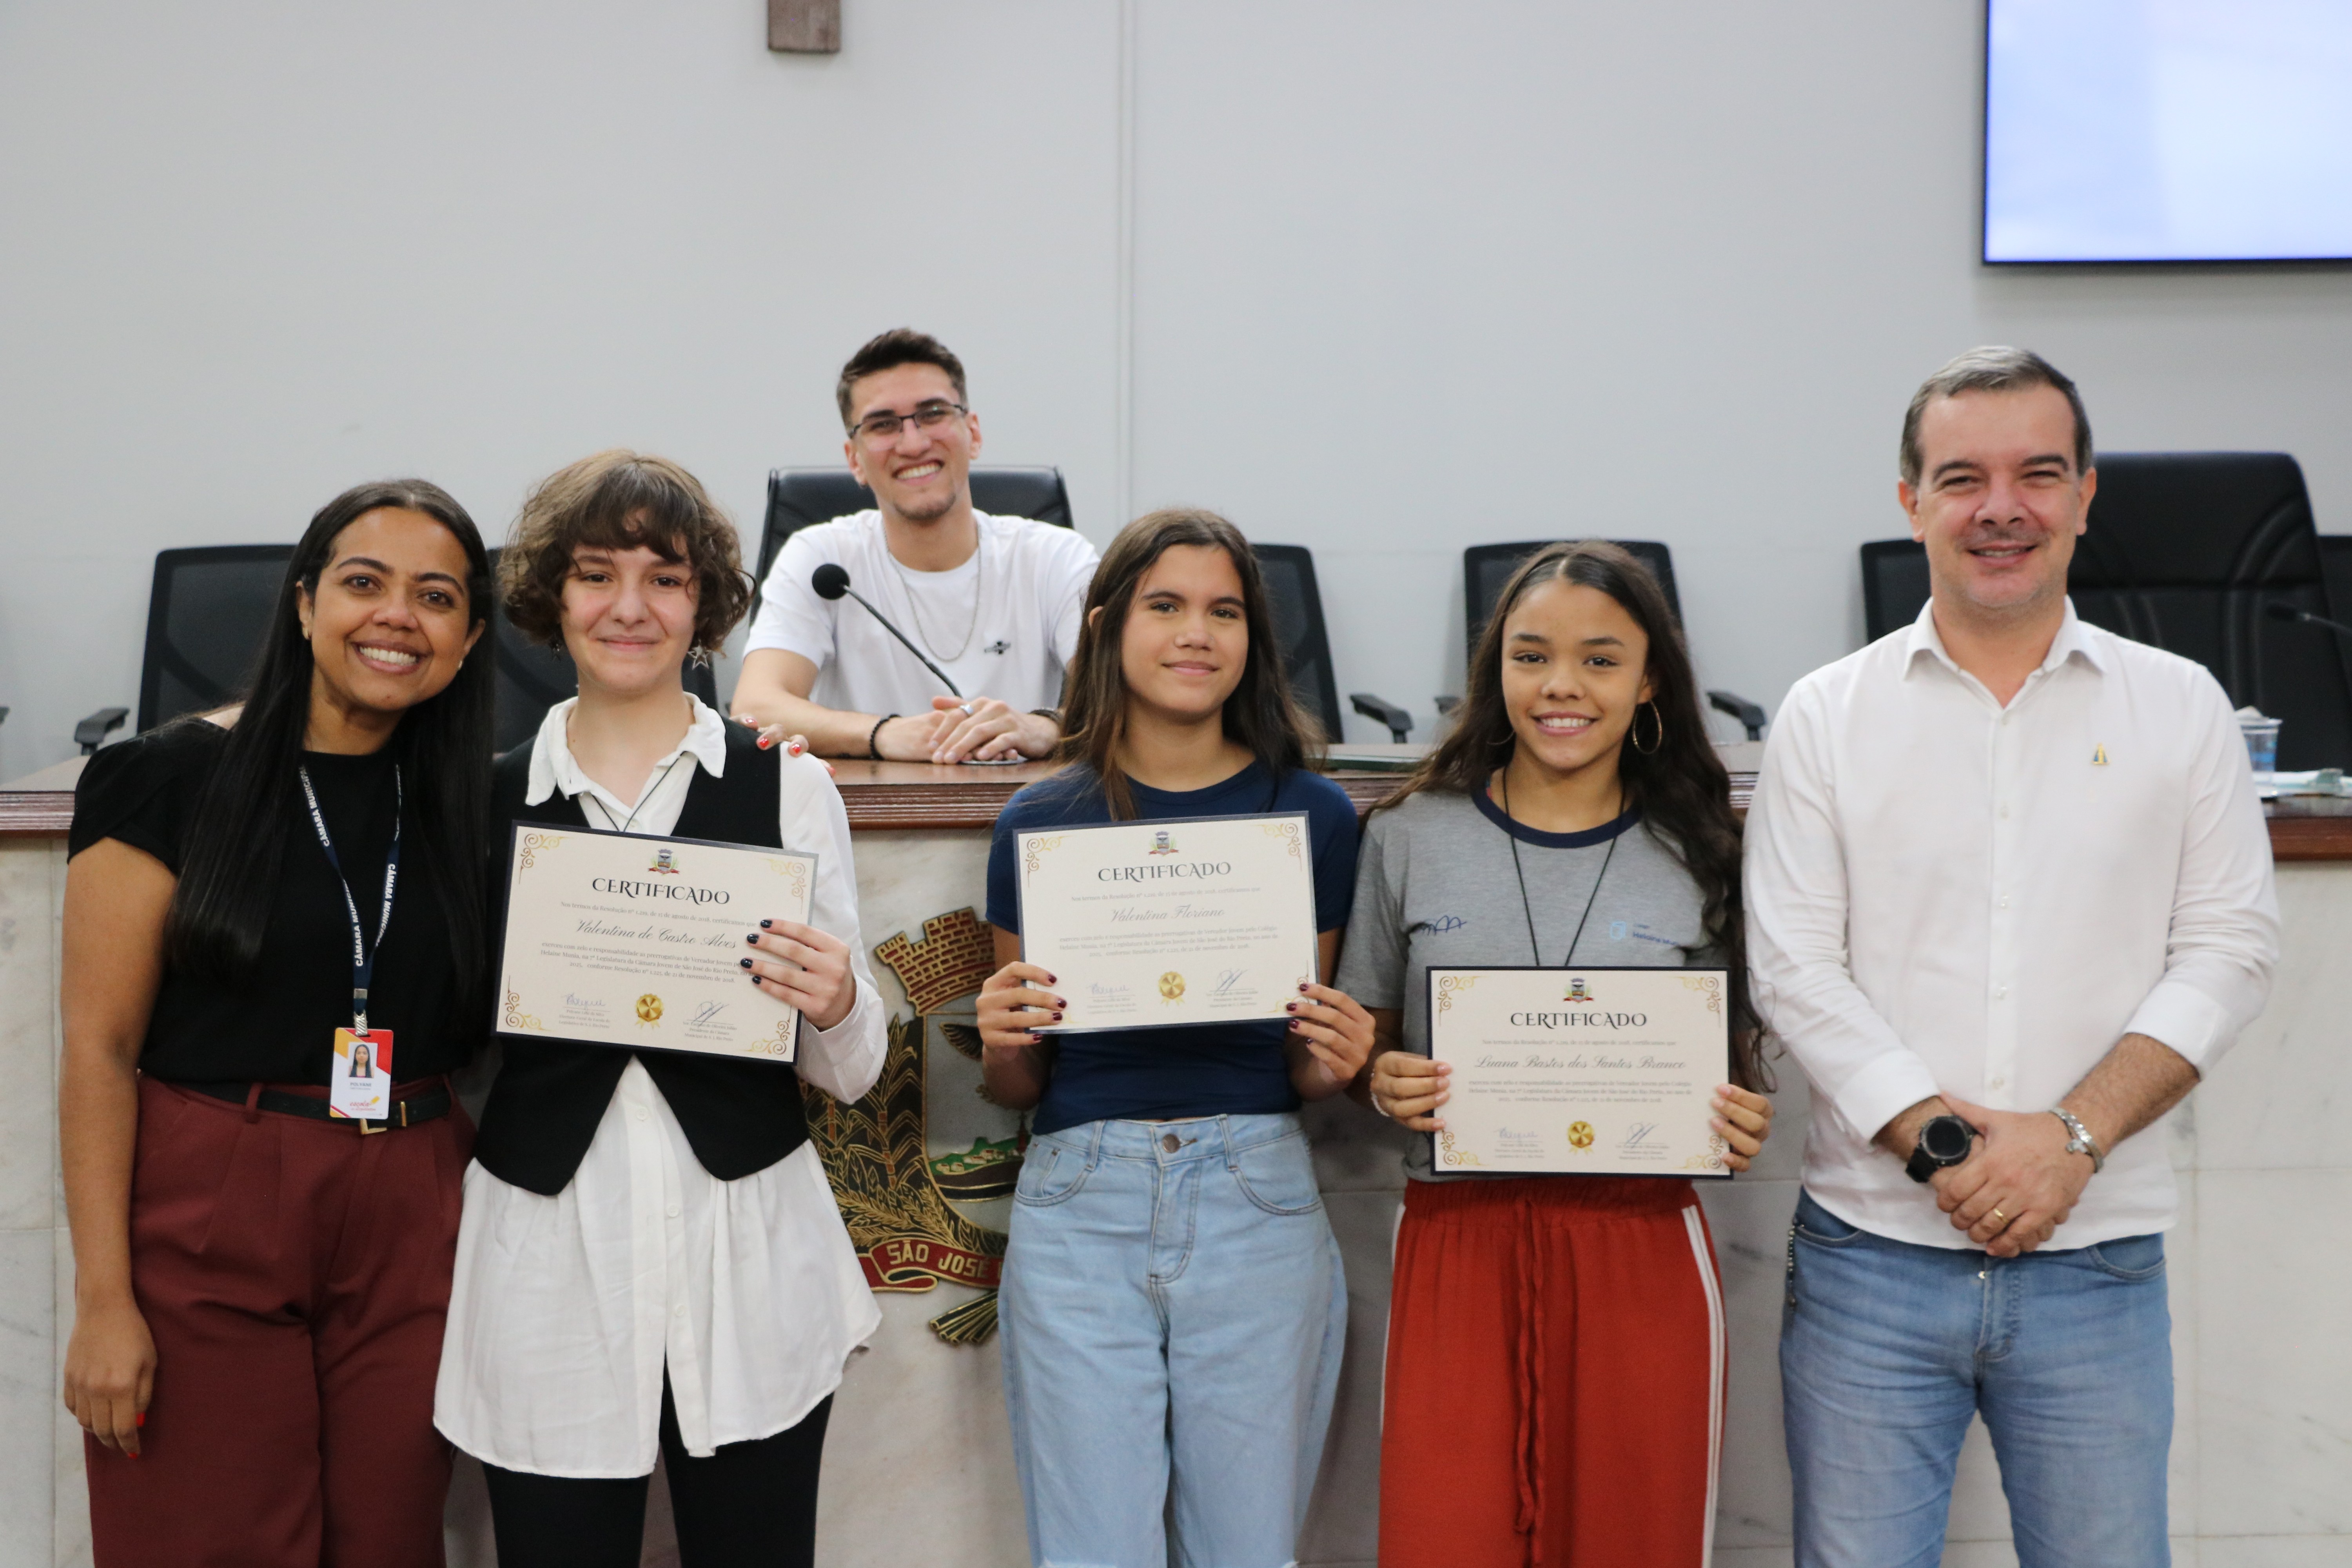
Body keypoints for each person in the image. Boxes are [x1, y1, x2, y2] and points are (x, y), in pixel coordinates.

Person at [1746, 348, 2279, 1568]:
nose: (2001, 508)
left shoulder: (2179, 704)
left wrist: (2069, 1140)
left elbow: (2229, 947)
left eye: (2037, 474)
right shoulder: (1826, 713)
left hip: (2097, 1260)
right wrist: (1951, 1148)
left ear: (2084, 495)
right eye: (1961, 478)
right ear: (1910, 502)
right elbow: (1793, 966)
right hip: (1869, 1263)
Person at [433, 452, 885, 1568]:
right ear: (552, 597)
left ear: (705, 602)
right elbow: (452, 1044)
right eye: (596, 575)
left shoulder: (789, 784)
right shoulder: (482, 799)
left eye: (665, 578)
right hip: (549, 1257)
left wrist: (837, 1001)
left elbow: (852, 1070)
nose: (629, 608)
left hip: (749, 1258)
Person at [59, 481, 494, 1568]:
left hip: (416, 1204)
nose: (397, 616)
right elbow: (100, 1050)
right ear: (304, 604)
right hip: (219, 1193)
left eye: (436, 596)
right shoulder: (161, 777)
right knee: (209, 1537)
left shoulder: (474, 801)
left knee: (392, 1538)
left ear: (471, 637)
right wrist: (104, 1301)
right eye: (364, 582)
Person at [1347, 541, 1776, 1568]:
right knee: (1445, 1542)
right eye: (1532, 656)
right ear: (1496, 670)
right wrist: (1378, 1077)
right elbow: (1366, 1039)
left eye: (1600, 660)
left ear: (1650, 681)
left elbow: (1727, 1064)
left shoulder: (1704, 848)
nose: (1562, 687)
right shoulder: (1410, 834)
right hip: (1458, 1239)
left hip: (1637, 1243)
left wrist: (1741, 1115)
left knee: (1636, 1541)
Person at [973, 508, 1374, 1568]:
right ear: (1105, 627)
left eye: (1224, 611)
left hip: (1256, 1195)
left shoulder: (1315, 815)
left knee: (1247, 1551)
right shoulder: (1038, 820)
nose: (1197, 632)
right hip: (1079, 1203)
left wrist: (1334, 1059)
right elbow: (1021, 1084)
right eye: (1166, 605)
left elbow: (1301, 1066)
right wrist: (1003, 1039)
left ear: (1253, 640)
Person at [730, 327, 1101, 762]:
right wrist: (883, 734)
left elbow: (1125, 702)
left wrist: (1045, 726)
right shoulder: (820, 559)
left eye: (933, 413)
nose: (914, 443)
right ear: (855, 459)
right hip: (864, 805)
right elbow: (755, 707)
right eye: (883, 425)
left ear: (974, 433)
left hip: (1025, 801)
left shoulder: (1057, 557)